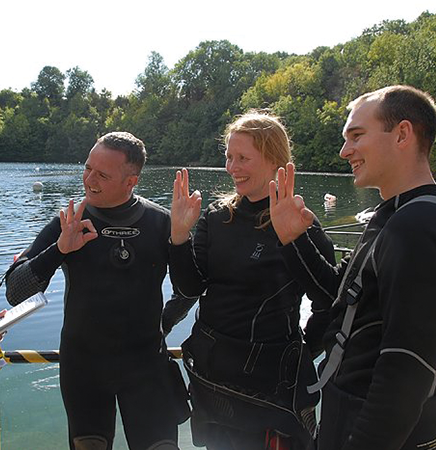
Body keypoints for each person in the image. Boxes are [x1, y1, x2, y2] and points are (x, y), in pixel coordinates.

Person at [269, 85, 436, 450]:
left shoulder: (418, 224)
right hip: (346, 414)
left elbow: (408, 367)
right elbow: (339, 297)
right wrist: (295, 240)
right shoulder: (391, 215)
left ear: (403, 134)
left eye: (357, 136)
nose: (345, 151)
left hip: (375, 428)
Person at [5, 132, 185, 450]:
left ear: (131, 181)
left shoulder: (161, 222)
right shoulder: (70, 221)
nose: (89, 179)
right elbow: (15, 292)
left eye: (102, 174)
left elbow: (190, 289)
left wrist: (162, 325)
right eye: (87, 168)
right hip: (84, 368)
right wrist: (59, 249)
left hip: (147, 367)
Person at [168, 112, 335, 450]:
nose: (232, 167)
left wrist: (300, 352)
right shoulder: (217, 217)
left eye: (243, 158)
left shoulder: (298, 222)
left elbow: (329, 301)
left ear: (275, 160)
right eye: (229, 157)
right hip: (214, 381)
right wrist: (178, 237)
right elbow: (190, 288)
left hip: (271, 389)